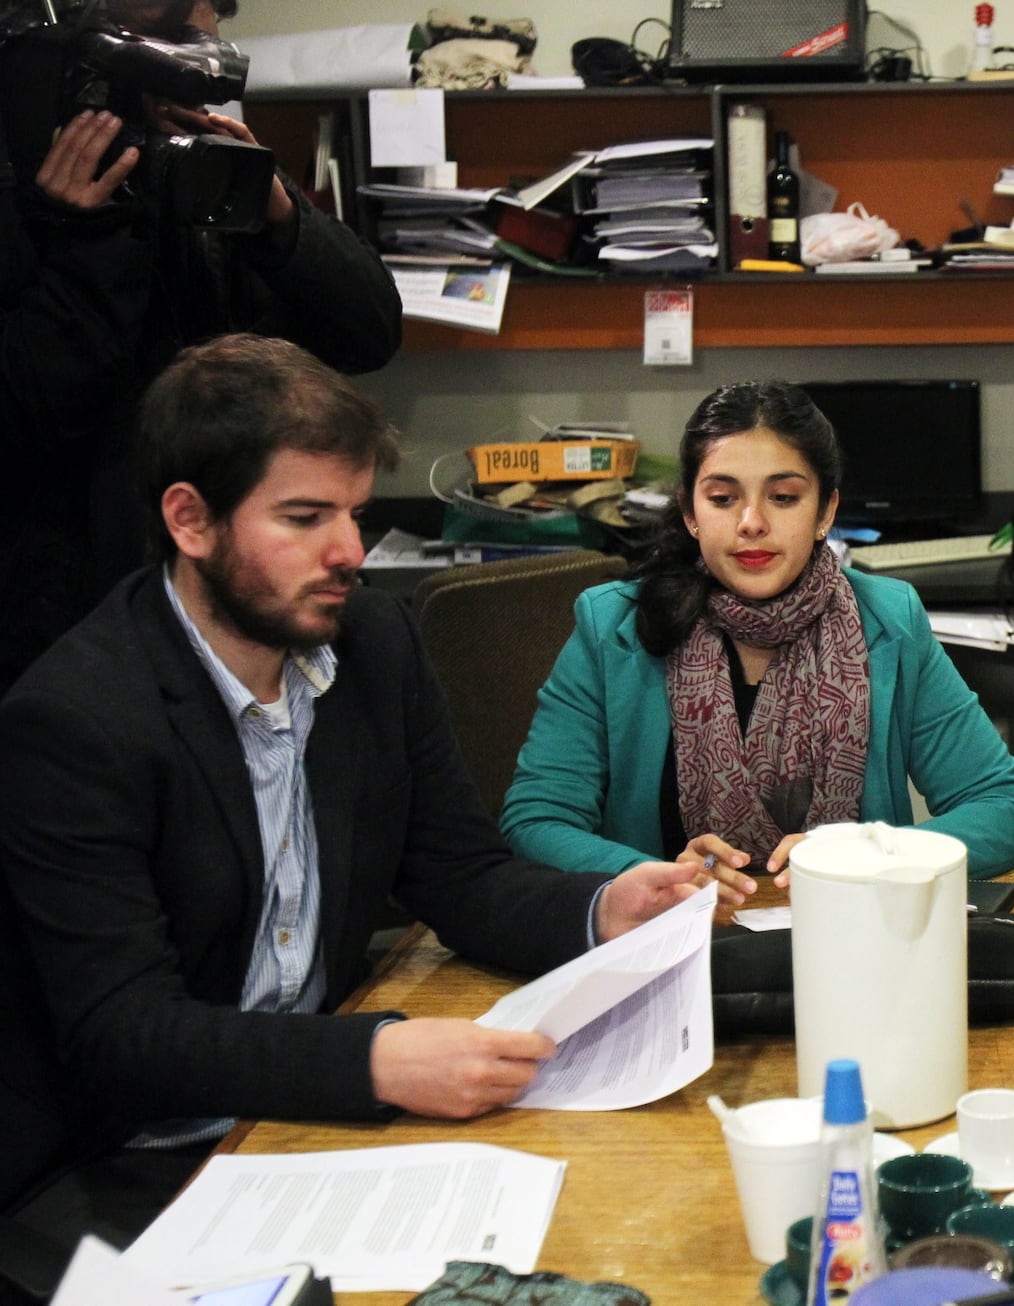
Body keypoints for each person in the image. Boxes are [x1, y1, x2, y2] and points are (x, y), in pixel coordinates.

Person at [0, 335, 698, 1258]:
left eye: (356, 512)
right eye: (303, 516)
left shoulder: (370, 642)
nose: (349, 550)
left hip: (319, 1127)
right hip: (142, 1164)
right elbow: (123, 1035)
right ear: (189, 520)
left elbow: (456, 872)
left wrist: (605, 908)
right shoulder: (77, 717)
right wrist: (375, 1058)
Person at [0, 0, 402, 698]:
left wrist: (274, 211)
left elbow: (368, 331)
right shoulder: (31, 203)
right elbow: (29, 412)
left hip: (224, 611)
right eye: (156, 86)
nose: (173, 107)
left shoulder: (203, 186)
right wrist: (86, 241)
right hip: (63, 624)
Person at [500, 381, 1014, 893]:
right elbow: (536, 821)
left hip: (853, 941)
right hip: (669, 945)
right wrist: (650, 876)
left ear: (825, 510)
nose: (752, 522)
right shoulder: (611, 625)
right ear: (690, 512)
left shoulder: (889, 619)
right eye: (723, 498)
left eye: (782, 497)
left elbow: (1005, 812)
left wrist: (868, 857)